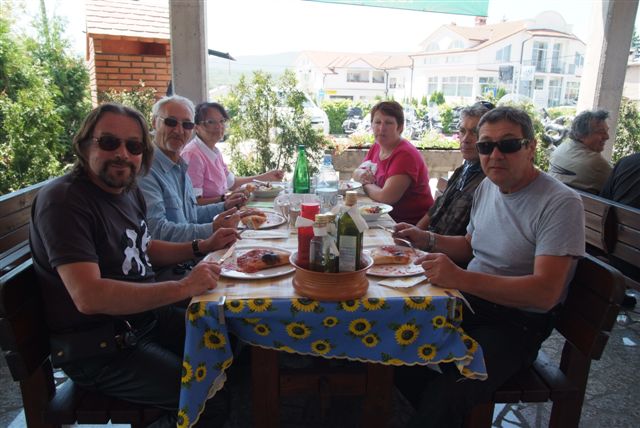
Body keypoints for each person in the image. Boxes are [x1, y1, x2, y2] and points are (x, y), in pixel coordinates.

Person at [29, 103, 239, 427]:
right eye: (109, 142)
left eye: (134, 146)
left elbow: (145, 247)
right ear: (84, 145)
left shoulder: (126, 191)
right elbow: (89, 296)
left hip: (143, 321)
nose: (122, 154)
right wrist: (183, 287)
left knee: (229, 338)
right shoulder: (64, 201)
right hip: (101, 348)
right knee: (206, 396)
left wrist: (202, 245)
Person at [393, 106, 585, 427]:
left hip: (516, 324)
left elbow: (545, 293)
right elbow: (471, 244)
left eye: (508, 144)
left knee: (447, 394)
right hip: (471, 305)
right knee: (392, 340)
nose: (495, 155)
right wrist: (425, 238)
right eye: (485, 146)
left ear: (531, 147)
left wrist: (460, 278)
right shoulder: (488, 187)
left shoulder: (559, 203)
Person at [138, 95, 246, 243]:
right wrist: (212, 228)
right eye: (171, 122)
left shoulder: (179, 166)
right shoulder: (146, 171)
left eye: (187, 125)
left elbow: (191, 215)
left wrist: (225, 206)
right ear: (154, 122)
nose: (179, 130)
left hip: (195, 251)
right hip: (181, 256)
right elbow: (157, 232)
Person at [182, 102, 284, 205]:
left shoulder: (214, 151)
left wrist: (267, 176)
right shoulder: (192, 155)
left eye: (222, 121)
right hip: (212, 215)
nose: (219, 126)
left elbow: (233, 183)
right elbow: (194, 203)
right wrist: (226, 198)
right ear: (196, 127)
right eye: (211, 122)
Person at [414, 101, 493, 234]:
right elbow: (434, 210)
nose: (465, 139)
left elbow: (471, 242)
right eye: (462, 131)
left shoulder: (490, 180)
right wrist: (413, 233)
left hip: (442, 246)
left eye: (474, 132)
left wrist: (425, 239)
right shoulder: (463, 170)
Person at [351, 100, 434, 224]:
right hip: (383, 217)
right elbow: (357, 173)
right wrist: (359, 175)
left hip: (409, 225)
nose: (381, 128)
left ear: (400, 127)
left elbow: (386, 197)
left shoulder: (405, 155)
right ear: (371, 125)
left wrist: (364, 183)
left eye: (388, 123)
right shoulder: (377, 147)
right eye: (377, 122)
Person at [548, 109, 612, 194]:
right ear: (581, 135)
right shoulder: (596, 163)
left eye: (606, 131)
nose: (607, 137)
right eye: (601, 132)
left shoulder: (561, 148)